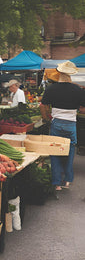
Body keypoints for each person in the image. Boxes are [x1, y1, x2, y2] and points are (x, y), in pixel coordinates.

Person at [40, 61, 85, 191]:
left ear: (59, 73)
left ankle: (57, 183)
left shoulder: (51, 89)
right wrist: (75, 109)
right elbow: (83, 110)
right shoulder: (78, 90)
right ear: (71, 74)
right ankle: (67, 181)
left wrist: (46, 117)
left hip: (56, 123)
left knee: (55, 152)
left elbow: (42, 106)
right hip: (71, 124)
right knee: (70, 152)